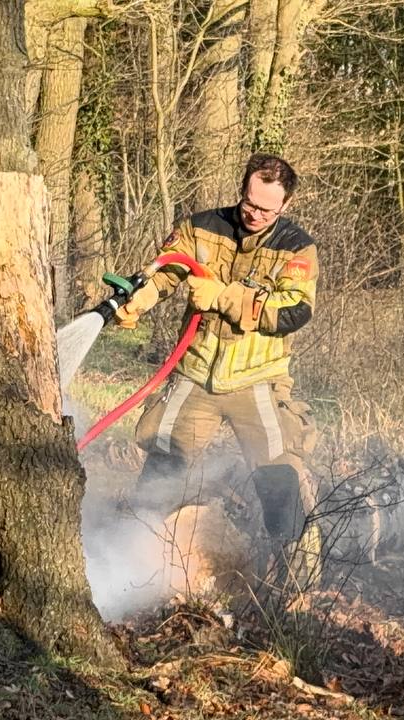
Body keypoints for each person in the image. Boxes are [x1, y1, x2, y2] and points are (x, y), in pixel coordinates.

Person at [114, 153, 319, 550]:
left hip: (257, 379)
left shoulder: (298, 248)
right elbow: (166, 272)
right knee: (164, 461)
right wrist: (138, 299)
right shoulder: (200, 228)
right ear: (242, 190)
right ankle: (130, 553)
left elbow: (293, 312)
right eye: (249, 203)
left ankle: (295, 578)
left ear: (286, 205)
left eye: (266, 209)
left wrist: (224, 296)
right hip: (196, 372)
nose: (255, 214)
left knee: (278, 477)